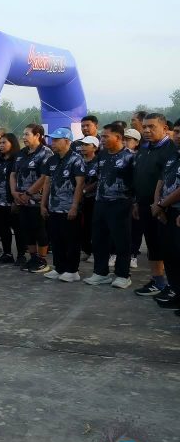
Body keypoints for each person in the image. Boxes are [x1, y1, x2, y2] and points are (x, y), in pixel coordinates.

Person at [84, 123, 136, 288]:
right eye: (102, 137)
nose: (102, 140)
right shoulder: (102, 155)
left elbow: (136, 182)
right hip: (100, 203)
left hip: (121, 203)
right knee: (99, 239)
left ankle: (123, 275)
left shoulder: (130, 157)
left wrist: (135, 203)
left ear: (118, 137)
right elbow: (98, 178)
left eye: (106, 136)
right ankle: (101, 273)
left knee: (121, 240)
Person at [131, 113, 174, 296]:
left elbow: (169, 181)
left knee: (168, 246)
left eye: (152, 127)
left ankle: (172, 285)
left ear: (165, 128)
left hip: (165, 207)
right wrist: (136, 201)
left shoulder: (171, 150)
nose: (147, 130)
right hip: (144, 204)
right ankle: (158, 281)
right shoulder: (144, 148)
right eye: (145, 127)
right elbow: (138, 176)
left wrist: (161, 205)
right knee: (152, 244)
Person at [40, 128, 87, 282]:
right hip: (54, 207)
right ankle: (59, 267)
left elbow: (80, 184)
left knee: (71, 240)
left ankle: (72, 270)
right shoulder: (51, 160)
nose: (52, 143)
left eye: (56, 140)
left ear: (67, 141)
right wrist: (43, 204)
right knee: (56, 239)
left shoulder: (76, 159)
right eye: (52, 140)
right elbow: (47, 182)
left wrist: (74, 206)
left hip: (69, 208)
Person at [11, 124, 53, 274]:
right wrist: (14, 192)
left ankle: (42, 259)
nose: (24, 137)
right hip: (21, 199)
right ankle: (33, 257)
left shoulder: (46, 153)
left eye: (27, 134)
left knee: (39, 229)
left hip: (37, 199)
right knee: (26, 229)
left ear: (37, 136)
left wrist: (28, 193)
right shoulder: (22, 153)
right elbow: (13, 174)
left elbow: (44, 177)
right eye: (23, 134)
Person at [150, 143, 180, 310]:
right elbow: (161, 180)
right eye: (176, 131)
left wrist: (161, 204)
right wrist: (157, 204)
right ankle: (176, 293)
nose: (178, 135)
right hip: (165, 210)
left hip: (176, 211)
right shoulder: (173, 155)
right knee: (170, 254)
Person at [0, 133, 25, 265]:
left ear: (13, 143)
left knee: (18, 229)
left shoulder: (18, 160)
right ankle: (7, 254)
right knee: (3, 228)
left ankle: (21, 255)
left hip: (12, 200)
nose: (1, 145)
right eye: (0, 143)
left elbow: (18, 180)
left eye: (4, 142)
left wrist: (15, 199)